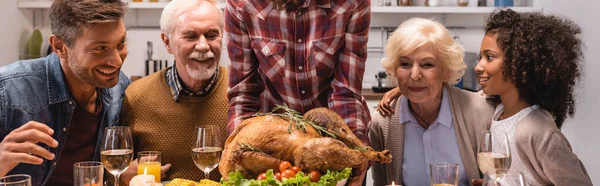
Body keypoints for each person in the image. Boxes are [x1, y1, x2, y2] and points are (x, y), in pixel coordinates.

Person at [225, 0, 371, 183]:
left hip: (331, 149)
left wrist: (355, 155)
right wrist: (242, 152)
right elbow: (244, 93)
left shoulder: (352, 3)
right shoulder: (242, 4)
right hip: (272, 148)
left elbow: (346, 93)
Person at [0, 0, 130, 185]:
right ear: (59, 46)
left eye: (121, 43)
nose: (116, 61)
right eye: (100, 48)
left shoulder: (121, 88)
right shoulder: (7, 90)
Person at [369, 18, 495, 186]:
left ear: (446, 72)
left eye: (427, 65)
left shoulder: (482, 113)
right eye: (405, 64)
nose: (414, 75)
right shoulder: (382, 122)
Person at [474, 9, 591, 186]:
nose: (478, 67)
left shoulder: (536, 131)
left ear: (518, 65)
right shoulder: (498, 111)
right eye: (480, 57)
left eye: (489, 57)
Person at [119, 0, 229, 183]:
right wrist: (123, 176)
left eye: (212, 35)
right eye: (190, 36)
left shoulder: (241, 92)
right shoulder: (137, 96)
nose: (203, 45)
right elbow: (110, 167)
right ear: (167, 42)